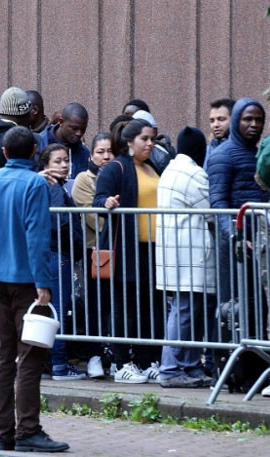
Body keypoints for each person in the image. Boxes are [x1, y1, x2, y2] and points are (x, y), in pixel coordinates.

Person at [0, 126, 69, 453]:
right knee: (31, 355)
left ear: (4, 152)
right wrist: (43, 284)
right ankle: (28, 429)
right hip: (26, 279)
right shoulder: (35, 184)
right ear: (34, 151)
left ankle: (2, 433)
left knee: (2, 356)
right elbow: (37, 236)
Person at [93, 118, 163, 384]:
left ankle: (148, 361)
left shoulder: (152, 166)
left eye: (152, 138)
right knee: (125, 306)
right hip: (126, 250)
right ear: (130, 142)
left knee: (150, 306)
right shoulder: (116, 167)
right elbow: (98, 200)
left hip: (152, 248)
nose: (150, 143)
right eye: (144, 139)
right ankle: (122, 363)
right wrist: (107, 202)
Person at [156, 127, 217, 388]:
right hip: (192, 255)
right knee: (184, 312)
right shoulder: (193, 173)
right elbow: (213, 210)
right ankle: (170, 369)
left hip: (176, 254)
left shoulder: (171, 169)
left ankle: (190, 366)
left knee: (187, 311)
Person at [208, 98, 270, 305]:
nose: (254, 124)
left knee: (261, 305)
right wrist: (235, 237)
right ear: (236, 120)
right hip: (235, 244)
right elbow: (218, 202)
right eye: (248, 119)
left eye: (258, 120)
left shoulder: (261, 155)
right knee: (235, 306)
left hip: (262, 241)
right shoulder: (221, 155)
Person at [38, 144, 86, 381]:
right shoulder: (54, 188)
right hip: (58, 254)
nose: (64, 165)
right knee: (58, 311)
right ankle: (59, 363)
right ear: (46, 165)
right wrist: (74, 242)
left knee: (52, 310)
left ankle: (52, 361)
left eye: (66, 160)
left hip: (53, 253)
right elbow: (60, 221)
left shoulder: (50, 186)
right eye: (57, 161)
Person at [71, 133, 113, 378]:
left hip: (119, 248)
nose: (106, 156)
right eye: (100, 152)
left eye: (109, 151)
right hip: (94, 250)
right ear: (91, 154)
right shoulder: (84, 179)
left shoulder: (118, 174)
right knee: (95, 303)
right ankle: (93, 356)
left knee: (117, 303)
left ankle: (115, 353)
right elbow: (93, 219)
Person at [40, 103, 90, 180]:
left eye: (83, 129)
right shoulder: (39, 143)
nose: (79, 133)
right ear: (61, 122)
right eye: (74, 128)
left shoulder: (84, 153)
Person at [205, 98, 235, 167]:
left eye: (221, 119)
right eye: (212, 121)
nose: (215, 125)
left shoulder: (243, 150)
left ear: (234, 119)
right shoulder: (205, 153)